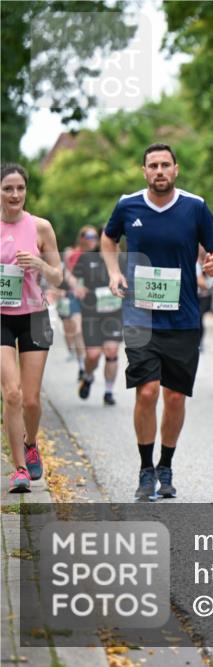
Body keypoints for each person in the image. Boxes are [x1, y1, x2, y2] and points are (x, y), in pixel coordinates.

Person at [101, 144, 213, 501]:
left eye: (165, 165)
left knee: (173, 397)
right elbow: (109, 239)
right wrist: (113, 273)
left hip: (184, 317)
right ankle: (145, 468)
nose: (159, 171)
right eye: (153, 165)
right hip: (140, 316)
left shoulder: (195, 206)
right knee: (147, 391)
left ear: (176, 169)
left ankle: (166, 465)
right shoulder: (128, 205)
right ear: (143, 170)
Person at [1, 163, 63, 492]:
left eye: (20, 188)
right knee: (12, 394)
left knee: (31, 400)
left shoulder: (41, 227)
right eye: (8, 188)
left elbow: (58, 275)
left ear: (26, 191)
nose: (14, 194)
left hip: (35, 316)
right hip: (1, 317)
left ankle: (31, 441)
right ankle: (20, 470)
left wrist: (39, 264)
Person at [68, 227, 124, 406]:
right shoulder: (87, 257)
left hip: (114, 315)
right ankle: (89, 375)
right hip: (91, 314)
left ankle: (108, 392)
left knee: (112, 351)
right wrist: (77, 286)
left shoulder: (123, 260)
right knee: (92, 355)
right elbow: (70, 275)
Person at [64, 228, 94, 377]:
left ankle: (89, 362)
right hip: (75, 296)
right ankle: (82, 366)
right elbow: (67, 273)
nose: (91, 239)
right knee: (77, 330)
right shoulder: (72, 254)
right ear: (81, 238)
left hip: (92, 299)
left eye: (94, 236)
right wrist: (76, 286)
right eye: (88, 236)